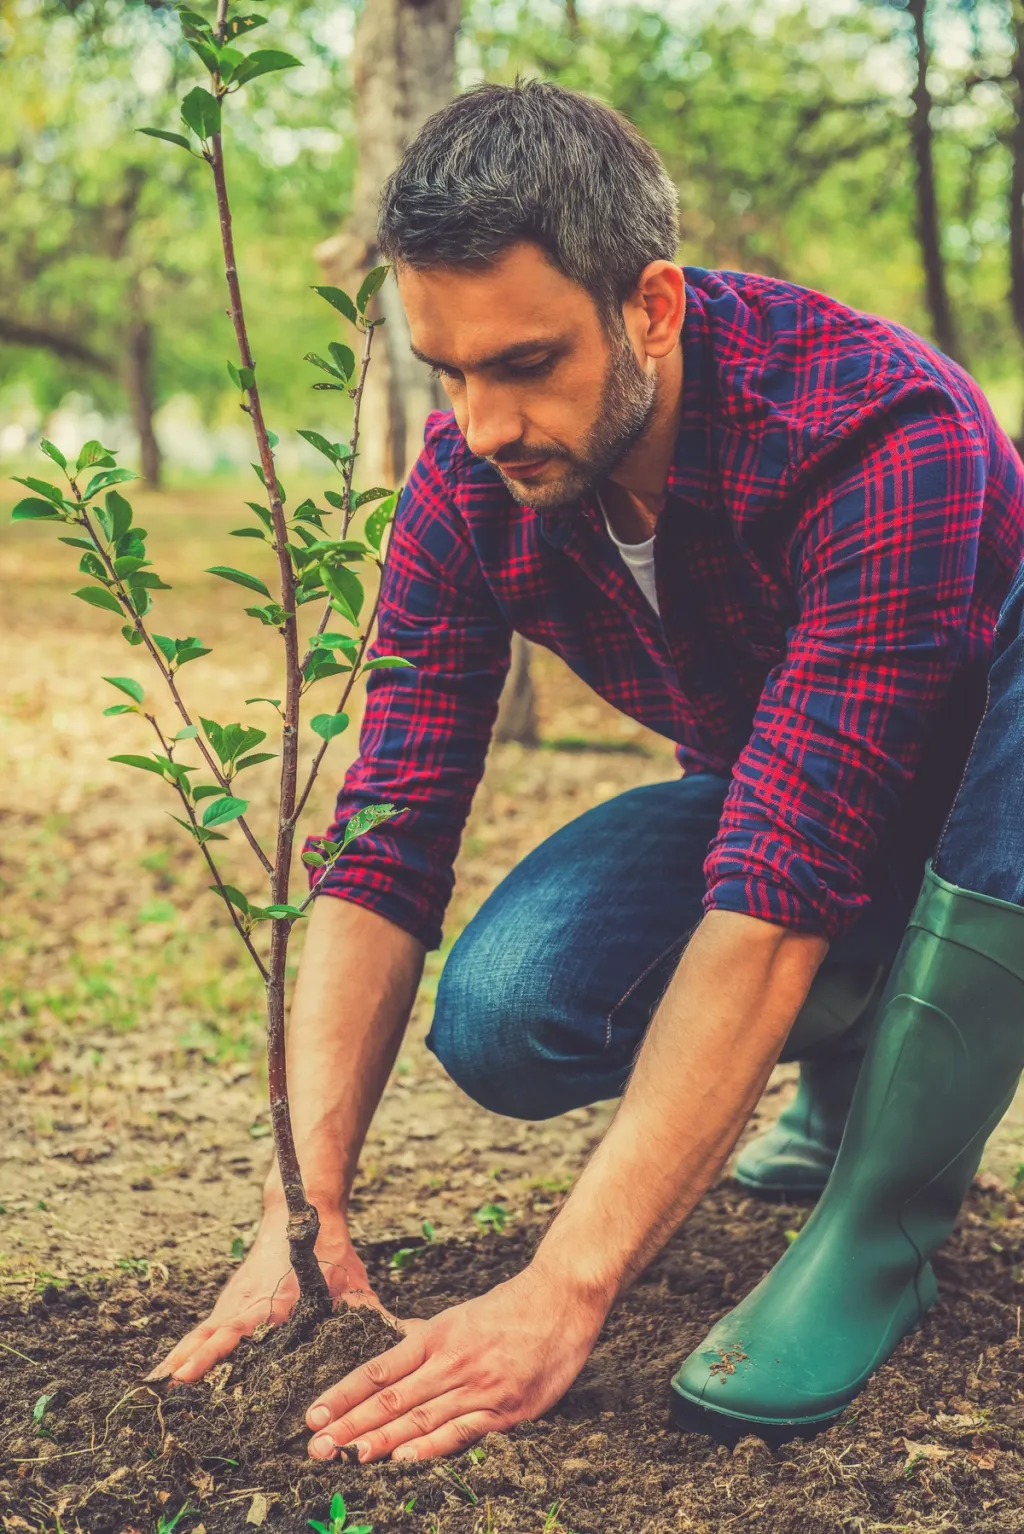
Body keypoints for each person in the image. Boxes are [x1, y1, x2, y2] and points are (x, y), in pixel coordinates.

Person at [152, 81, 1024, 1455]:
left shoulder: (878, 431)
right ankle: (857, 1043)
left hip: (987, 780)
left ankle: (882, 1218)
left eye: (524, 362)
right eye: (449, 370)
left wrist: (566, 1287)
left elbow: (783, 883)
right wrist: (299, 1211)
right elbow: (383, 840)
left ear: (654, 306)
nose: (484, 422)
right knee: (509, 1009)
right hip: (795, 795)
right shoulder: (469, 484)